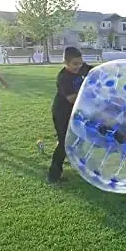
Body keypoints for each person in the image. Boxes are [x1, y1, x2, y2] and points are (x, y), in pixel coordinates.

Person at [48, 46, 94, 184]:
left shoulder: (83, 67)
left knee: (78, 139)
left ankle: (80, 165)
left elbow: (96, 71)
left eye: (80, 63)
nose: (78, 66)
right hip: (63, 112)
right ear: (65, 62)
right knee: (64, 142)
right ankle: (53, 176)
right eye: (75, 64)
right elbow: (73, 99)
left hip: (77, 112)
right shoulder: (63, 78)